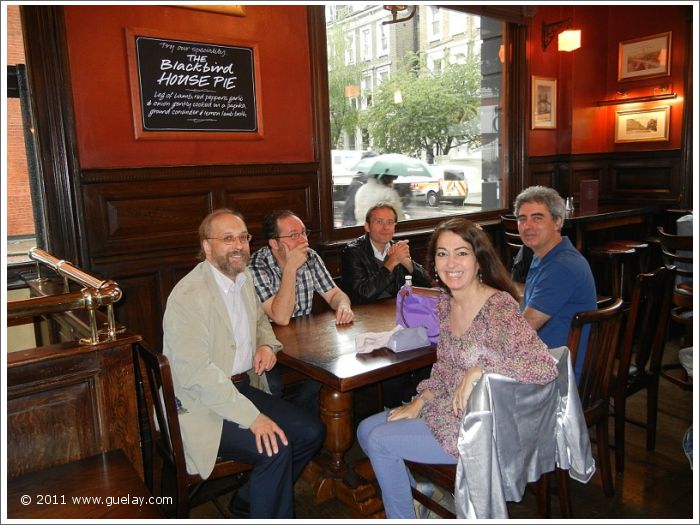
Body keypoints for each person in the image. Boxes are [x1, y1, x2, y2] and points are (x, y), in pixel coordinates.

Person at [356, 218, 559, 519]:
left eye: (461, 252)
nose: (450, 262)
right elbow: (446, 368)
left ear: (479, 260)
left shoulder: (498, 306)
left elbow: (544, 367)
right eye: (441, 253)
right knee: (365, 429)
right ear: (433, 263)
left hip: (484, 426)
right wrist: (420, 401)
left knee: (379, 441)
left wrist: (479, 368)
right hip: (448, 409)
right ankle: (424, 499)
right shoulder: (447, 303)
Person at [162, 208, 324, 519]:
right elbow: (197, 374)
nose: (238, 246)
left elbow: (261, 320)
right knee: (275, 448)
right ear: (207, 247)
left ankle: (249, 501)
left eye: (242, 237)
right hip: (201, 404)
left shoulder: (242, 277)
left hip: (240, 387)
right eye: (227, 239)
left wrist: (265, 343)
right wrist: (252, 418)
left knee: (311, 431)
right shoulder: (188, 296)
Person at [249, 210, 354, 409]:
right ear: (274, 243)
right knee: (274, 386)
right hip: (266, 344)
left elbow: (334, 295)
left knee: (336, 367)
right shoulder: (256, 266)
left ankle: (301, 417)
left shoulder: (311, 257)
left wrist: (344, 305)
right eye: (293, 235)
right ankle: (295, 423)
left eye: (304, 233)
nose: (302, 240)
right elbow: (280, 318)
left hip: (304, 342)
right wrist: (290, 268)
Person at [341, 202, 433, 407]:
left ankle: (414, 399)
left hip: (396, 316)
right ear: (367, 226)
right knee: (394, 360)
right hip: (364, 322)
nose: (385, 228)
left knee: (428, 347)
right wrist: (391, 262)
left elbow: (427, 284)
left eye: (390, 223)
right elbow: (364, 294)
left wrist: (407, 262)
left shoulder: (396, 248)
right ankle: (390, 406)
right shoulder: (352, 252)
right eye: (379, 222)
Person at [514, 186, 597, 382]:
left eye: (537, 218)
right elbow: (527, 302)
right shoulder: (544, 255)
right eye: (522, 219)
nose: (527, 226)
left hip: (558, 373)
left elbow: (522, 329)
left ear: (557, 221)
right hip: (541, 358)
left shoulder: (562, 266)